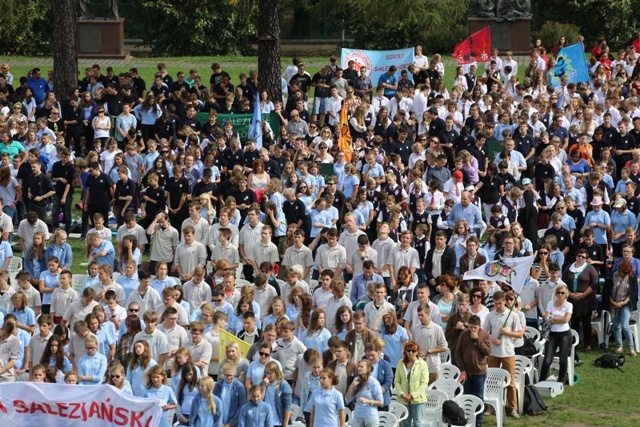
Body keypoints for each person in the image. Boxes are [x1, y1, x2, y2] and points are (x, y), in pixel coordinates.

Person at [482, 291, 521, 419]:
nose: (497, 306)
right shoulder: (490, 315)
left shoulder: (512, 316)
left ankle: (513, 408)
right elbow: (484, 333)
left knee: (510, 382)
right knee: (492, 381)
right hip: (493, 353)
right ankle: (492, 406)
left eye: (499, 303)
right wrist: (492, 340)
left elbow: (519, 334)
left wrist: (507, 333)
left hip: (508, 352)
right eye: (495, 303)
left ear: (505, 301)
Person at [563, 248, 599, 352]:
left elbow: (594, 283)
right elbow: (563, 282)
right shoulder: (569, 267)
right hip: (571, 299)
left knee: (586, 322)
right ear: (576, 256)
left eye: (583, 257)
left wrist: (583, 294)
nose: (580, 258)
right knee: (574, 322)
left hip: (586, 300)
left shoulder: (590, 268)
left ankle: (587, 343)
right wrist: (570, 294)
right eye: (579, 256)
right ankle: (574, 342)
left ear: (586, 258)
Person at [539, 284, 574, 384]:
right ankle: (541, 380)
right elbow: (546, 317)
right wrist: (556, 319)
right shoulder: (551, 303)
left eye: (562, 293)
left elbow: (566, 319)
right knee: (547, 360)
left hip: (564, 334)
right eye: (558, 293)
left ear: (566, 294)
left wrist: (552, 319)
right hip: (552, 334)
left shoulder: (569, 305)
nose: (560, 295)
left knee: (563, 359)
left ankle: (561, 380)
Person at [606, 260, 638, 357]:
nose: (625, 275)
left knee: (624, 325)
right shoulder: (611, 276)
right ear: (619, 270)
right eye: (623, 273)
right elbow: (607, 292)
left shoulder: (631, 277)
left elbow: (633, 293)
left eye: (626, 273)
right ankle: (619, 346)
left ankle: (631, 348)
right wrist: (613, 302)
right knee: (616, 325)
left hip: (626, 303)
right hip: (613, 303)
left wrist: (623, 303)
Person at [394, 340, 429, 427]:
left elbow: (424, 383)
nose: (410, 352)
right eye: (408, 350)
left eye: (413, 351)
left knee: (418, 423)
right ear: (405, 351)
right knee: (405, 424)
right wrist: (402, 394)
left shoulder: (423, 364)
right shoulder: (400, 363)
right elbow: (397, 381)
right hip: (403, 400)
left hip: (418, 400)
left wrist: (413, 395)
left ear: (417, 352)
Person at [346, 359, 383, 427]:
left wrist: (367, 401)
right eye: (359, 366)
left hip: (370, 416)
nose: (359, 368)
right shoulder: (355, 380)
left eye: (362, 367)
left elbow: (380, 402)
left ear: (368, 369)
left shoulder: (374, 382)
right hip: (357, 415)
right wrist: (350, 387)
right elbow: (347, 400)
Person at [213, 361, 247, 427]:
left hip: (233, 424)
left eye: (231, 375)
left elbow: (241, 406)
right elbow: (214, 403)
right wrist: (219, 422)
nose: (229, 377)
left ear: (234, 374)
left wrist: (231, 423)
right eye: (227, 375)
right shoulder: (218, 385)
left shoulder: (239, 386)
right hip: (219, 423)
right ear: (223, 374)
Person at [262, 361, 293, 427]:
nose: (267, 375)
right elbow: (259, 401)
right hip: (265, 421)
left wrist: (285, 424)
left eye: (270, 373)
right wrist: (264, 386)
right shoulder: (263, 384)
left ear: (276, 373)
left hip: (277, 422)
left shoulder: (283, 385)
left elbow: (288, 406)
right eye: (266, 372)